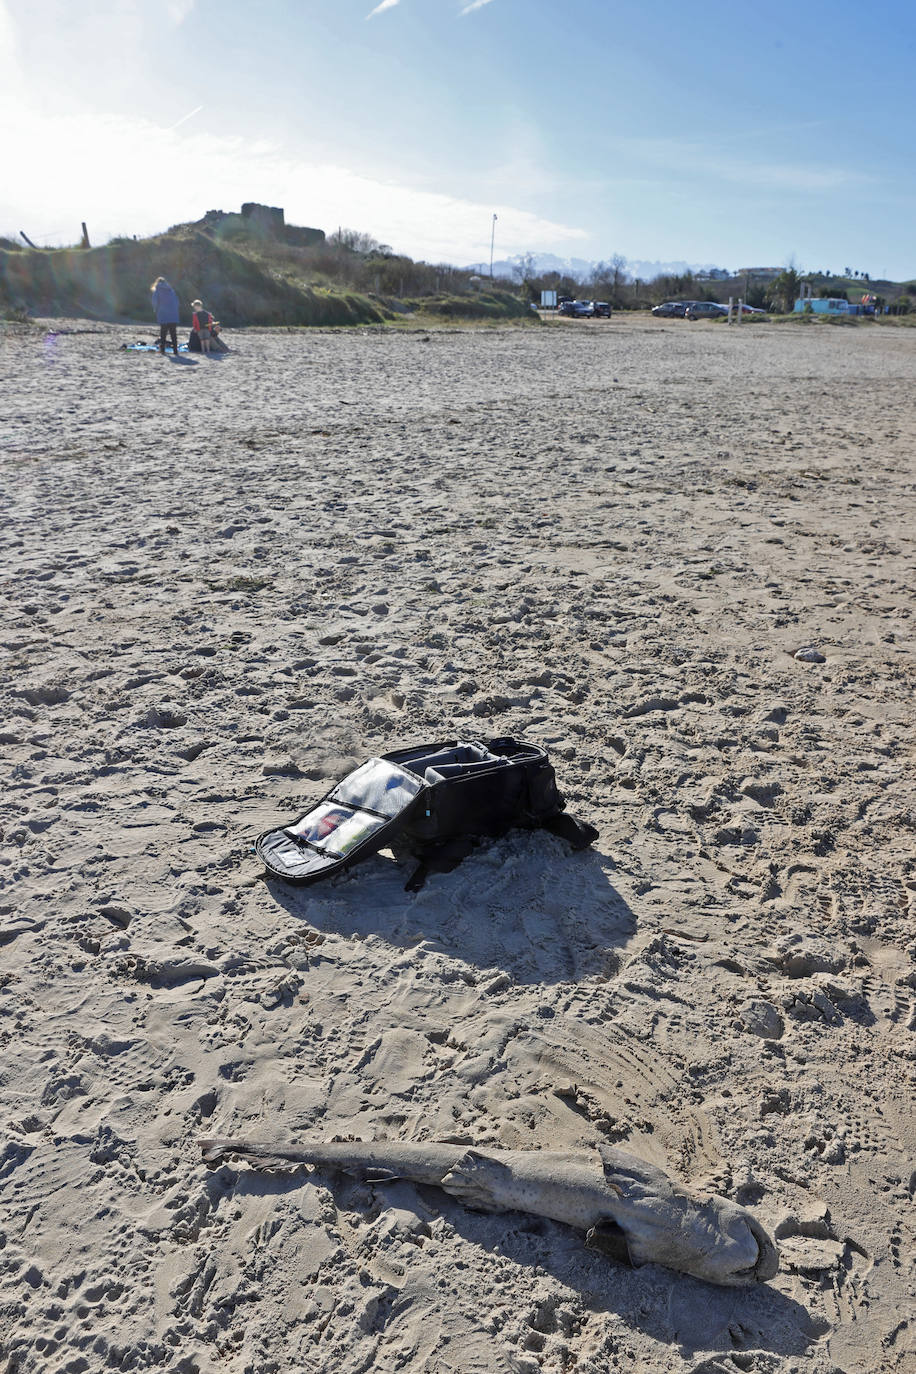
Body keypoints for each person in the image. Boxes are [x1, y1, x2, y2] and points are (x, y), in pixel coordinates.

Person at [151, 276, 180, 355]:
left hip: (163, 314)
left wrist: (156, 310)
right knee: (173, 333)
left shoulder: (157, 290)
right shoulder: (171, 290)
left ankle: (163, 350)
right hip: (173, 315)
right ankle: (175, 351)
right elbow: (177, 302)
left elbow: (155, 302)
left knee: (163, 333)